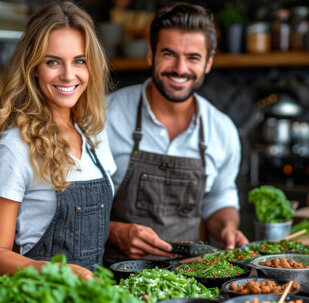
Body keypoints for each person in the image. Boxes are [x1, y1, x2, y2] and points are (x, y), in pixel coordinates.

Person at [0, 1, 115, 281]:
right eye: (53, 61)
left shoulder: (94, 134)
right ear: (33, 67)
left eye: (79, 60)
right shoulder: (15, 147)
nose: (68, 75)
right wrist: (58, 272)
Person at [104, 2, 248, 264]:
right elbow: (73, 204)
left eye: (193, 57)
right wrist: (114, 232)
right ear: (151, 54)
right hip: (111, 277)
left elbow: (219, 197)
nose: (180, 69)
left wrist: (227, 227)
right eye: (169, 54)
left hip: (188, 281)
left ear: (208, 62)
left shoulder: (222, 130)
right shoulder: (106, 116)